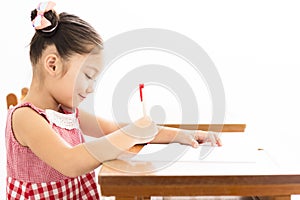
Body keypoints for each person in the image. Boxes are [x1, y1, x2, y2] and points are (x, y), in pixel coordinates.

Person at [5, 1, 222, 199]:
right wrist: (131, 134)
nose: (91, 88)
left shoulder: (67, 114)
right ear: (52, 65)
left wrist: (183, 135)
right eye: (88, 75)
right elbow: (70, 162)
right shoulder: (26, 117)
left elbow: (115, 129)